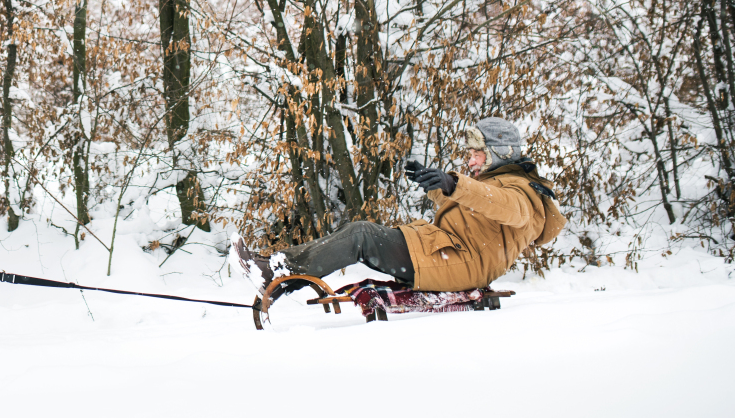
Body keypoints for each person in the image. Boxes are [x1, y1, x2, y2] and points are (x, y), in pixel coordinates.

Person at [232, 117, 566, 295]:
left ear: (500, 153)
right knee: (359, 232)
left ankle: (276, 274)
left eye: (477, 153)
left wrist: (455, 183)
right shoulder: (494, 184)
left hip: (463, 262)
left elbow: (507, 208)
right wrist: (432, 184)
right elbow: (474, 209)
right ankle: (276, 272)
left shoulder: (523, 191)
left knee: (361, 235)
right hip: (449, 251)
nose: (470, 159)